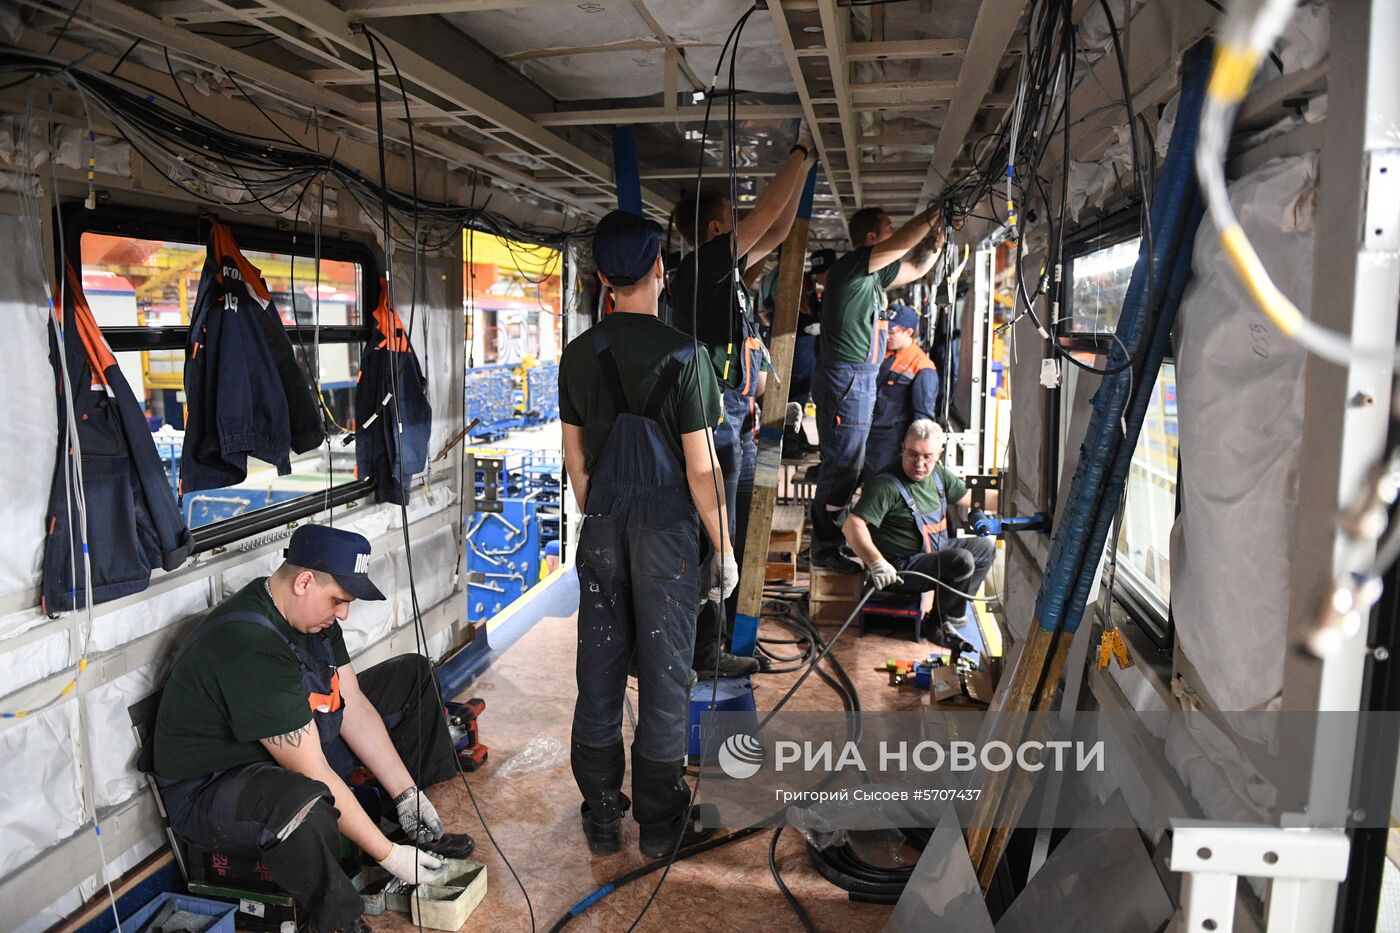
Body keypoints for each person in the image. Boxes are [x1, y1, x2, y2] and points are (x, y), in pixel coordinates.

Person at [151, 524, 472, 933]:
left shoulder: (310, 618)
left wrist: (407, 793)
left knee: (412, 675)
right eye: (338, 600)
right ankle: (335, 919)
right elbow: (312, 770)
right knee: (306, 801)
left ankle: (411, 829)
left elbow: (352, 704)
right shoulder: (249, 644)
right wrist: (387, 855)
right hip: (212, 787)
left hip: (275, 744)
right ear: (304, 581)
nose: (344, 614)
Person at [559, 210, 734, 858]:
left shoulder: (578, 355)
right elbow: (701, 467)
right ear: (660, 269)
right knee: (664, 677)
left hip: (601, 524)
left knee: (599, 673)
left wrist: (603, 517)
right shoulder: (685, 356)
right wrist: (725, 547)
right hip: (665, 533)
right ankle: (661, 825)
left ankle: (602, 815)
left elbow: (576, 464)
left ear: (603, 277)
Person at [671, 127, 816, 676]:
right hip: (715, 418)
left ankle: (728, 640)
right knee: (719, 539)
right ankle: (704, 656)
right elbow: (768, 213)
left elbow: (777, 228)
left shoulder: (721, 273)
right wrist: (797, 153)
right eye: (733, 218)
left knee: (741, 532)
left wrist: (802, 174)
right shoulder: (705, 264)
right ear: (715, 230)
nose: (741, 226)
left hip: (737, 415)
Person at [809, 206, 943, 572]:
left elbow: (917, 267)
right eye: (888, 229)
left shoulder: (873, 277)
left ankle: (831, 542)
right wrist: (937, 211)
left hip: (860, 377)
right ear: (872, 239)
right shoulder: (852, 267)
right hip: (847, 378)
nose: (894, 234)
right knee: (843, 466)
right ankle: (823, 548)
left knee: (849, 465)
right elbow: (906, 239)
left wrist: (940, 234)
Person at [842, 420, 996, 636]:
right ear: (903, 447)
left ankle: (952, 608)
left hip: (933, 554)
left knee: (984, 548)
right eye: (912, 454)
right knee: (961, 561)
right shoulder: (886, 486)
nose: (919, 463)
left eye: (927, 457)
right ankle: (938, 626)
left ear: (939, 454)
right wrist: (877, 563)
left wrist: (1012, 501)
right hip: (901, 568)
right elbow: (852, 524)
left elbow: (970, 497)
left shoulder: (939, 476)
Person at [861, 302, 939, 486]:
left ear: (908, 333)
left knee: (877, 491)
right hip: (865, 434)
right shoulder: (882, 354)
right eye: (883, 330)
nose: (885, 336)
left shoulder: (922, 367)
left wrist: (911, 454)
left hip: (888, 444)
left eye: (891, 332)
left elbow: (922, 420)